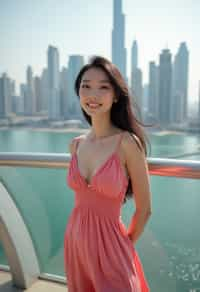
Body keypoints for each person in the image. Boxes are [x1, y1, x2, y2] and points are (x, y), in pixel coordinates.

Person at [64, 56, 152, 292]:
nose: (93, 94)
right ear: (78, 92)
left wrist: (123, 246)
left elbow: (144, 209)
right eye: (86, 86)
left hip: (113, 249)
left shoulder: (127, 143)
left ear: (115, 96)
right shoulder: (76, 145)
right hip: (76, 244)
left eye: (103, 87)